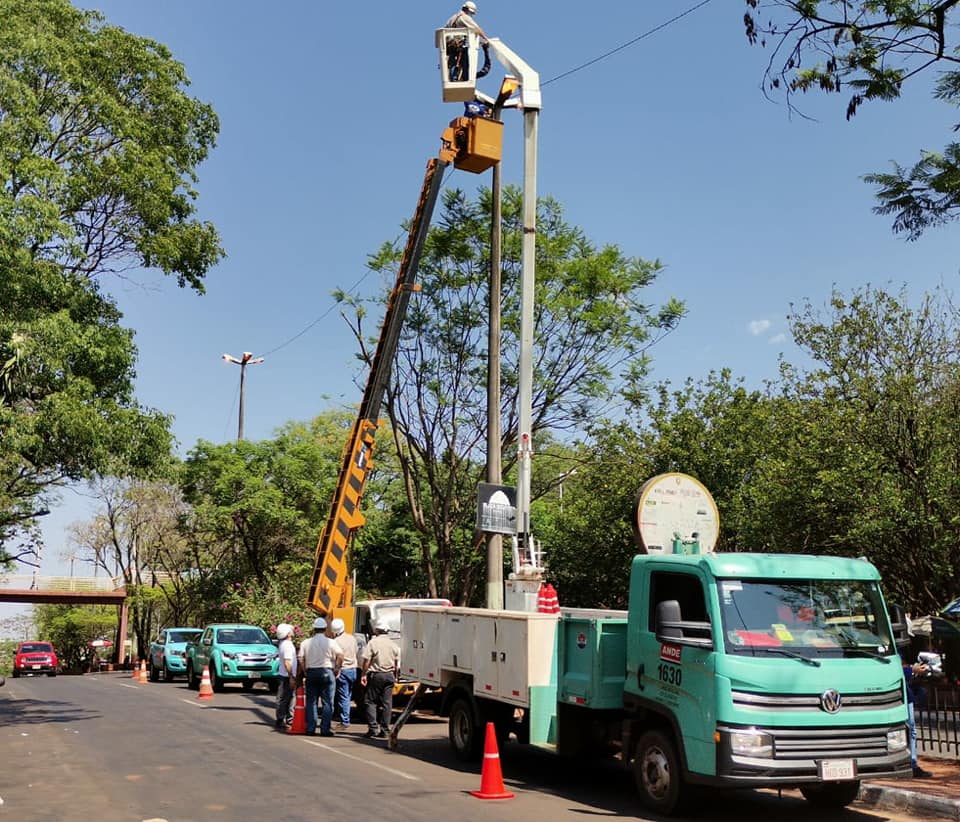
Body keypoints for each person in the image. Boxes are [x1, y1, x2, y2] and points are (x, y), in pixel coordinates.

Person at [298, 617, 344, 737]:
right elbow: (340, 655)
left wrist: (304, 670)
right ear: (325, 629)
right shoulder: (331, 642)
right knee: (328, 702)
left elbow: (301, 658)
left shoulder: (305, 642)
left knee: (311, 701)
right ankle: (325, 729)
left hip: (311, 672)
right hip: (327, 671)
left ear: (314, 628)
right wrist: (337, 668)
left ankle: (311, 728)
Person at [360, 617, 401, 739]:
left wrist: (363, 674)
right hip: (389, 675)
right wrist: (396, 677)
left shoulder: (373, 643)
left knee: (370, 701)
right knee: (387, 703)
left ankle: (373, 728)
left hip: (377, 675)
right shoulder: (393, 644)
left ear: (377, 630)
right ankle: (385, 730)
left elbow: (366, 660)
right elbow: (396, 664)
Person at [903, 655, 933, 778]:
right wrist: (912, 669)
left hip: (906, 694)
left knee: (911, 730)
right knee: (908, 730)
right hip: (898, 695)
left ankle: (913, 764)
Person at [443, 2, 487, 82]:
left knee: (453, 65)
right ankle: (460, 77)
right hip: (458, 46)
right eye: (471, 13)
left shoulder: (452, 18)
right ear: (468, 10)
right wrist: (486, 39)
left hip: (450, 47)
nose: (471, 15)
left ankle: (454, 77)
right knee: (465, 65)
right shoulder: (465, 17)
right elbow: (477, 29)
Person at [330, 617, 359, 730]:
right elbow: (356, 651)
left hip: (343, 670)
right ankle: (345, 718)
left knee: (344, 697)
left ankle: (345, 721)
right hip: (353, 669)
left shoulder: (336, 642)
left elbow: (334, 657)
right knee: (348, 694)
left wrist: (336, 669)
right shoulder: (352, 638)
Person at [274, 623, 298, 730]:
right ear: (288, 633)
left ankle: (281, 719)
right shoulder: (288, 645)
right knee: (288, 699)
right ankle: (287, 720)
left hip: (283, 675)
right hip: (287, 676)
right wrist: (292, 676)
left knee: (284, 698)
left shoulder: (282, 643)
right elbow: (287, 662)